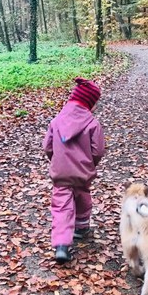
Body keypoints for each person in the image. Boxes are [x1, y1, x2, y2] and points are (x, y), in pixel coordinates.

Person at [42, 77, 105, 263]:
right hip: (82, 173)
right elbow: (98, 150)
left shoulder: (56, 121)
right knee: (83, 198)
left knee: (61, 206)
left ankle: (62, 246)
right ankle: (82, 227)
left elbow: (47, 146)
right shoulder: (93, 124)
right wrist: (90, 164)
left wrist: (56, 160)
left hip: (61, 174)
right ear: (88, 103)